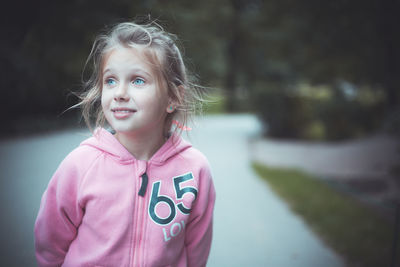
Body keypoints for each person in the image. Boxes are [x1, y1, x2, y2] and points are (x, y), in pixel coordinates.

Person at [34, 20, 216, 267]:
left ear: (173, 97)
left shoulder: (195, 170)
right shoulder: (81, 165)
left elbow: (196, 251)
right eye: (110, 81)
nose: (119, 92)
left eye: (137, 80)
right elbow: (50, 245)